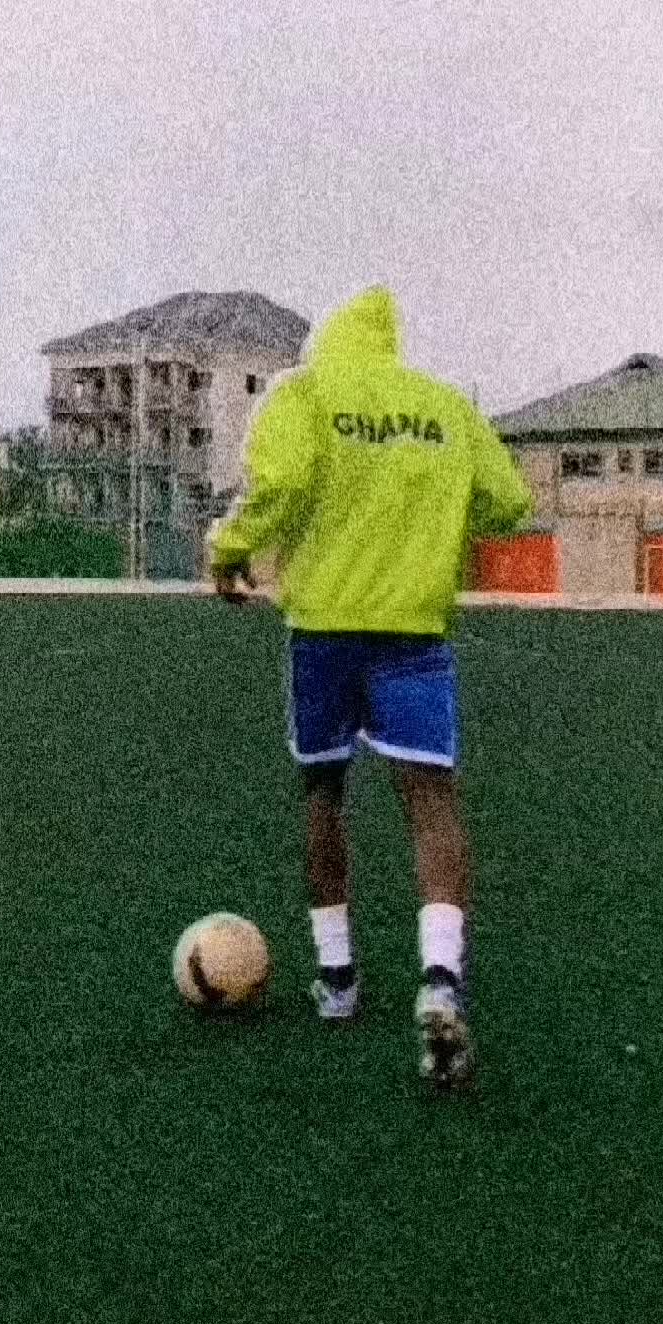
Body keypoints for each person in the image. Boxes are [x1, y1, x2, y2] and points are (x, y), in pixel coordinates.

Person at [207, 285, 534, 1087]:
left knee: (323, 794)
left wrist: (230, 549)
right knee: (432, 802)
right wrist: (430, 523)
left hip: (324, 629)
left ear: (328, 342)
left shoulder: (306, 393)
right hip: (415, 629)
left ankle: (338, 980)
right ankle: (440, 979)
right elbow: (508, 501)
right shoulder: (445, 405)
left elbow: (281, 484)